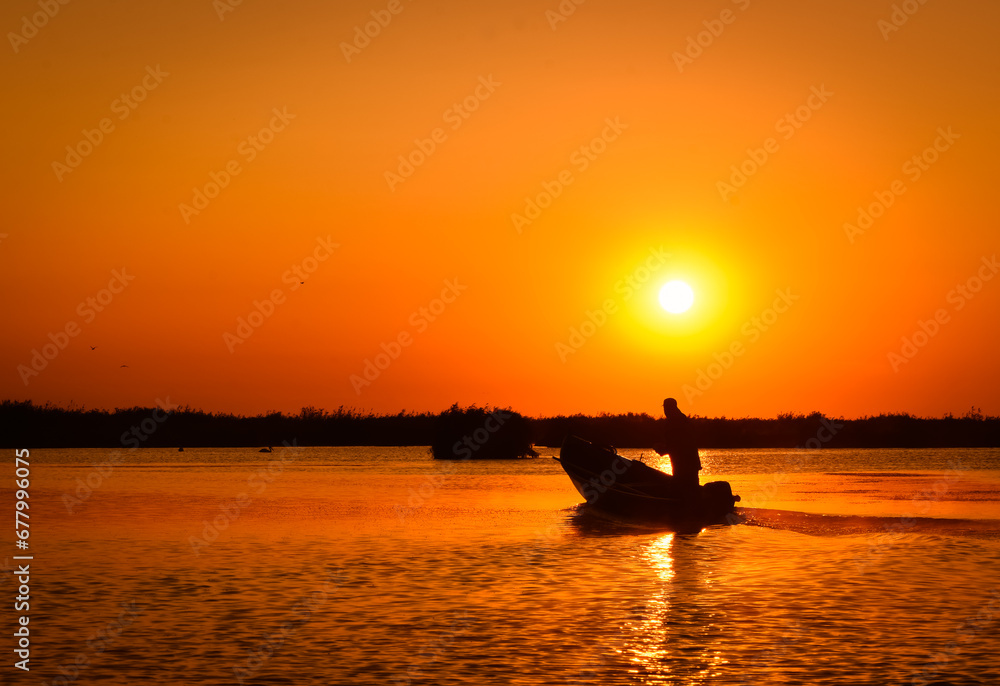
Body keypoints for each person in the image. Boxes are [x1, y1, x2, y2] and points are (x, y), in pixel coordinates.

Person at [656, 398, 701, 494]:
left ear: (670, 408)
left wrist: (662, 450)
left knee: (682, 492)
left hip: (683, 466)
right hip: (691, 464)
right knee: (692, 491)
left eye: (666, 408)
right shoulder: (683, 419)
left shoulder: (674, 423)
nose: (665, 411)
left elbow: (677, 446)